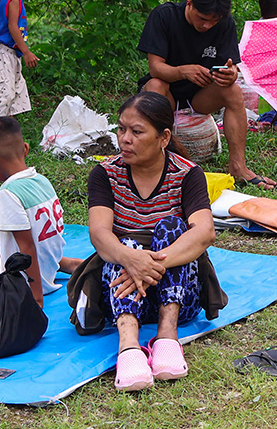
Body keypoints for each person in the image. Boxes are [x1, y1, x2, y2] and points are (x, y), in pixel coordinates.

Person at [82, 92, 226, 391]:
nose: (125, 139)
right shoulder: (105, 174)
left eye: (136, 132)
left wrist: (148, 264)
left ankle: (167, 336)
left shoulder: (187, 174)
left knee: (172, 228)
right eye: (121, 129)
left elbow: (205, 233)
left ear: (163, 138)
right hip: (118, 298)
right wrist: (130, 258)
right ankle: (129, 346)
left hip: (179, 299)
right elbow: (99, 234)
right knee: (125, 243)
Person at [137, 0, 277, 190]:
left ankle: (238, 167)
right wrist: (183, 71)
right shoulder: (164, 16)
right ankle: (156, 165)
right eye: (203, 18)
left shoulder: (224, 24)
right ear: (190, 3)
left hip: (199, 95)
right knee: (156, 85)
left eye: (214, 20)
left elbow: (230, 64)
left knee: (232, 90)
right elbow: (156, 67)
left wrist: (230, 73)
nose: (207, 26)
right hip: (167, 93)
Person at [0, 116, 80, 308]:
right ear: (25, 149)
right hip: (48, 267)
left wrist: (36, 299)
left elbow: (27, 248)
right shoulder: (42, 181)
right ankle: (74, 265)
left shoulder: (7, 193)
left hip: (24, 284)